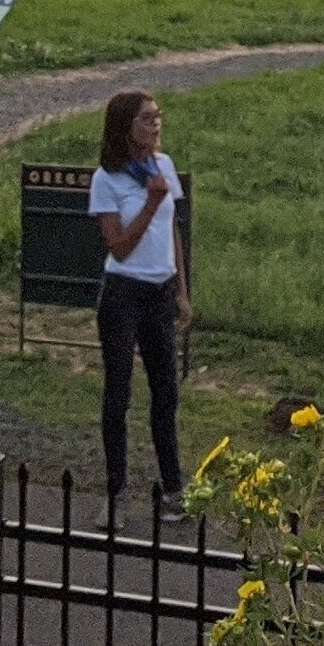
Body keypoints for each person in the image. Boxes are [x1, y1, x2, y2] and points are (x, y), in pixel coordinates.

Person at [88, 88, 191, 522]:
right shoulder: (107, 179)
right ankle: (115, 494)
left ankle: (173, 490)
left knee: (165, 392)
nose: (156, 124)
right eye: (146, 118)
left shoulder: (163, 167)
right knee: (119, 393)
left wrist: (182, 292)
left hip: (160, 291)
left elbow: (173, 233)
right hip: (123, 293)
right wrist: (149, 203)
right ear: (125, 127)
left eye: (158, 116)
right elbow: (119, 247)